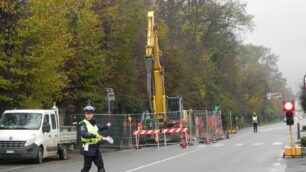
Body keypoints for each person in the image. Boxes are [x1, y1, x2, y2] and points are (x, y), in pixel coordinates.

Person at [79, 105, 111, 172]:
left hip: (96, 147)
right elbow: (84, 134)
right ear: (85, 114)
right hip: (88, 148)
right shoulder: (83, 123)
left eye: (90, 114)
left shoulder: (93, 123)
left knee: (101, 167)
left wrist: (106, 126)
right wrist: (95, 136)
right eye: (87, 113)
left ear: (92, 114)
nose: (88, 115)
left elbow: (98, 127)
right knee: (87, 168)